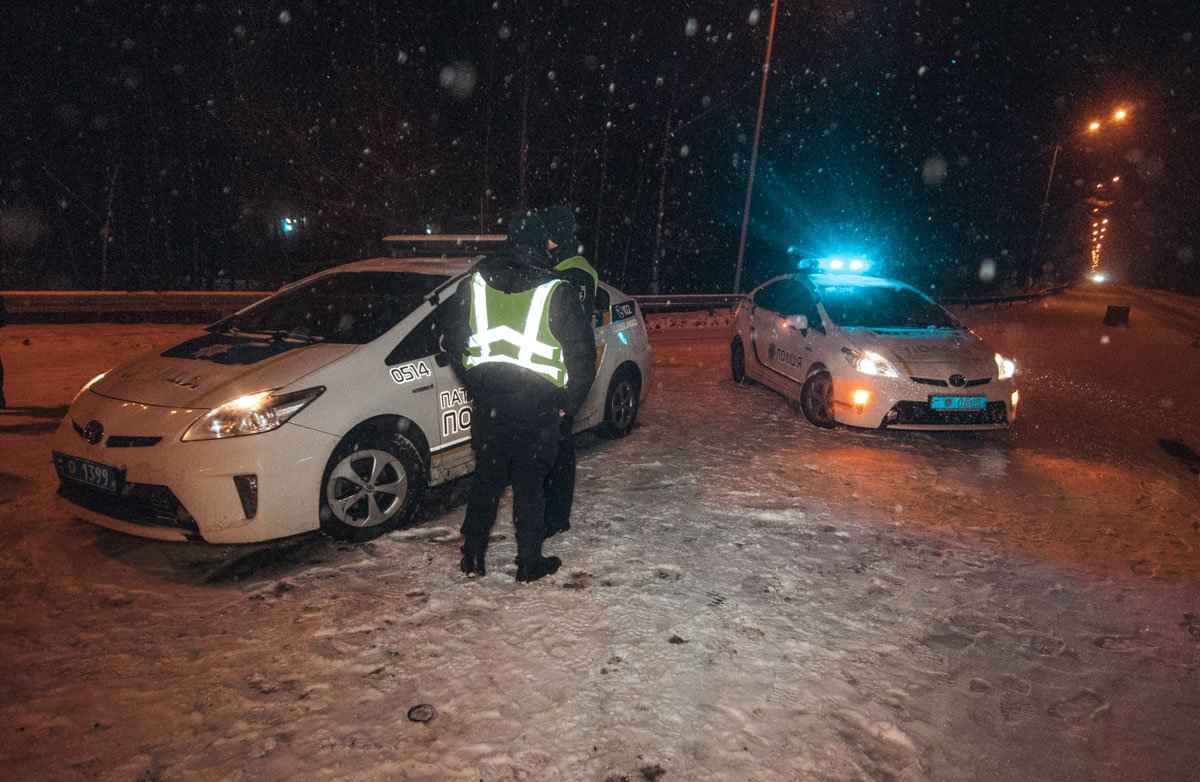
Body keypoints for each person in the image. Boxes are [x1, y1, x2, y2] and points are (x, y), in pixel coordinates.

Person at [440, 210, 596, 582]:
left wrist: (476, 383)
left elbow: (452, 339)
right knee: (530, 486)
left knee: (486, 481)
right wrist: (567, 405)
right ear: (543, 244)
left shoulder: (474, 282)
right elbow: (582, 357)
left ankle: (473, 556)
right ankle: (528, 563)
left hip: (491, 404)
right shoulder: (556, 290)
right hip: (539, 406)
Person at [541, 205, 599, 539]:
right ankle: (557, 514)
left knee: (557, 448)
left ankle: (555, 515)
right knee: (560, 445)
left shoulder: (563, 272)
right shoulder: (581, 268)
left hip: (558, 367)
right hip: (569, 365)